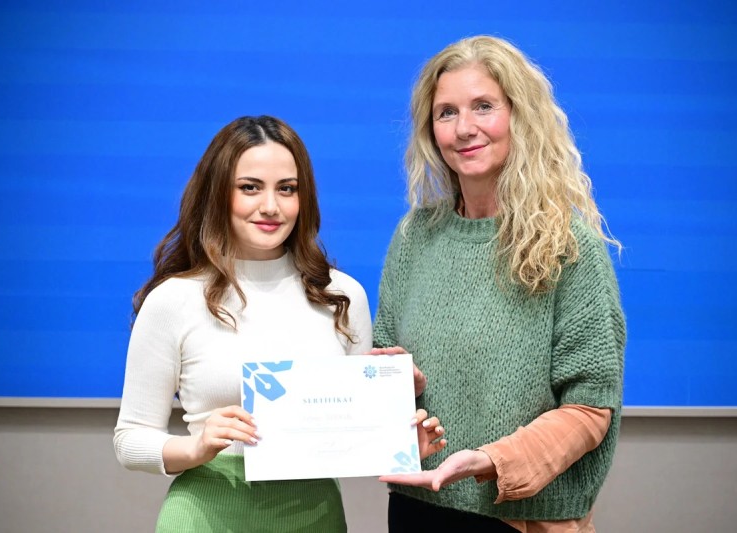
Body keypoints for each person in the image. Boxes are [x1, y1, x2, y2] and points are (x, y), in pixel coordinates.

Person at [113, 115, 445, 532]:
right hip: (206, 514)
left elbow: (353, 437)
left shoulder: (342, 295)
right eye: (249, 187)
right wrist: (196, 447)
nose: (271, 206)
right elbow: (130, 439)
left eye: (287, 189)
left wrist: (399, 439)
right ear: (217, 193)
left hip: (316, 516)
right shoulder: (173, 300)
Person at [373, 36, 626, 532]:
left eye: (483, 106)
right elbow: (386, 360)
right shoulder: (414, 236)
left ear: (519, 115)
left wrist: (493, 460)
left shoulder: (567, 245)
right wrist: (397, 384)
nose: (464, 128)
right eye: (446, 112)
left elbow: (590, 408)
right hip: (416, 507)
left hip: (522, 518)